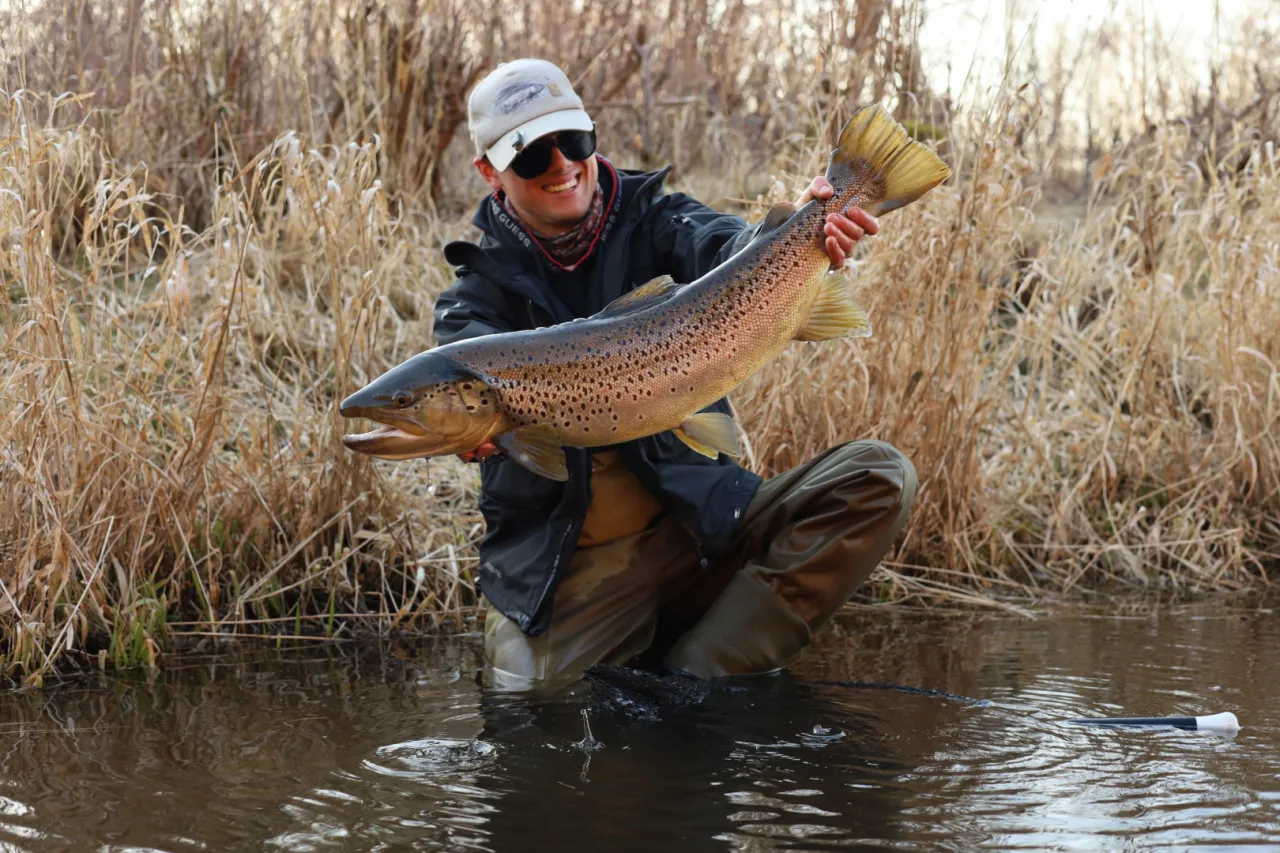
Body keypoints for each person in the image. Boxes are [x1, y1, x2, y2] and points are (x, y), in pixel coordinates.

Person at [436, 59, 917, 691]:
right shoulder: (472, 305)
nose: (561, 164)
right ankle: (672, 652)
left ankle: (699, 681)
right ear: (489, 172)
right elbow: (458, 380)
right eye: (531, 155)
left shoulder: (659, 219)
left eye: (573, 139)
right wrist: (474, 434)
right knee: (532, 697)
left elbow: (730, 247)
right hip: (583, 566)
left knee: (879, 476)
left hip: (707, 523)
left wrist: (804, 229)